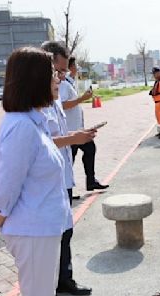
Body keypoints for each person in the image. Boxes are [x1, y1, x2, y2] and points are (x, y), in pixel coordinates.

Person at [0, 47, 78, 296]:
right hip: (32, 228)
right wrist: (0, 213)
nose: (59, 78)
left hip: (44, 224)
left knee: (44, 291)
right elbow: (7, 182)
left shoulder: (34, 121)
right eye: (53, 74)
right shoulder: (22, 127)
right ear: (35, 80)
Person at [41, 41, 94, 296]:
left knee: (66, 230)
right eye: (58, 73)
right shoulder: (34, 107)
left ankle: (65, 280)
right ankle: (49, 291)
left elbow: (57, 136)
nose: (62, 78)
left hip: (62, 176)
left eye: (63, 73)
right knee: (52, 236)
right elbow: (43, 142)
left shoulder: (53, 99)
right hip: (50, 181)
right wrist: (75, 137)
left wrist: (76, 136)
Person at [60, 52, 109, 192]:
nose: (78, 67)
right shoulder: (63, 84)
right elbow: (63, 104)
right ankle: (66, 189)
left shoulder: (70, 82)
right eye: (76, 65)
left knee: (89, 149)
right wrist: (82, 99)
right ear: (70, 67)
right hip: (70, 131)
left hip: (78, 129)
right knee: (70, 160)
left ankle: (90, 181)